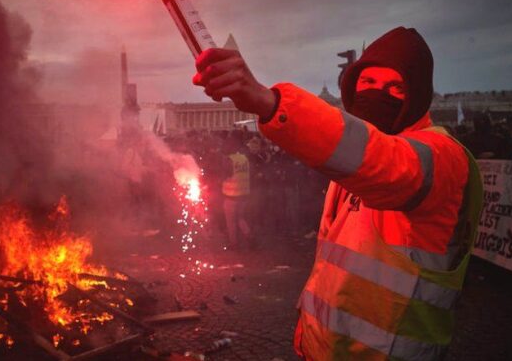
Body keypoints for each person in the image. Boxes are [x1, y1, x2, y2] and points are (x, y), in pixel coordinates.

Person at [193, 26, 483, 360]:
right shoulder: (350, 163)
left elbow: (385, 161)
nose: (378, 94)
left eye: (396, 87)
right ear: (352, 85)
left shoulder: (443, 156)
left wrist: (269, 103)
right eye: (369, 82)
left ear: (417, 96)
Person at [221, 132, 252, 249]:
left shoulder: (229, 160)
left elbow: (225, 175)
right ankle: (250, 236)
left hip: (231, 195)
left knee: (231, 222)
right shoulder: (244, 158)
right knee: (240, 218)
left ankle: (234, 244)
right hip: (243, 195)